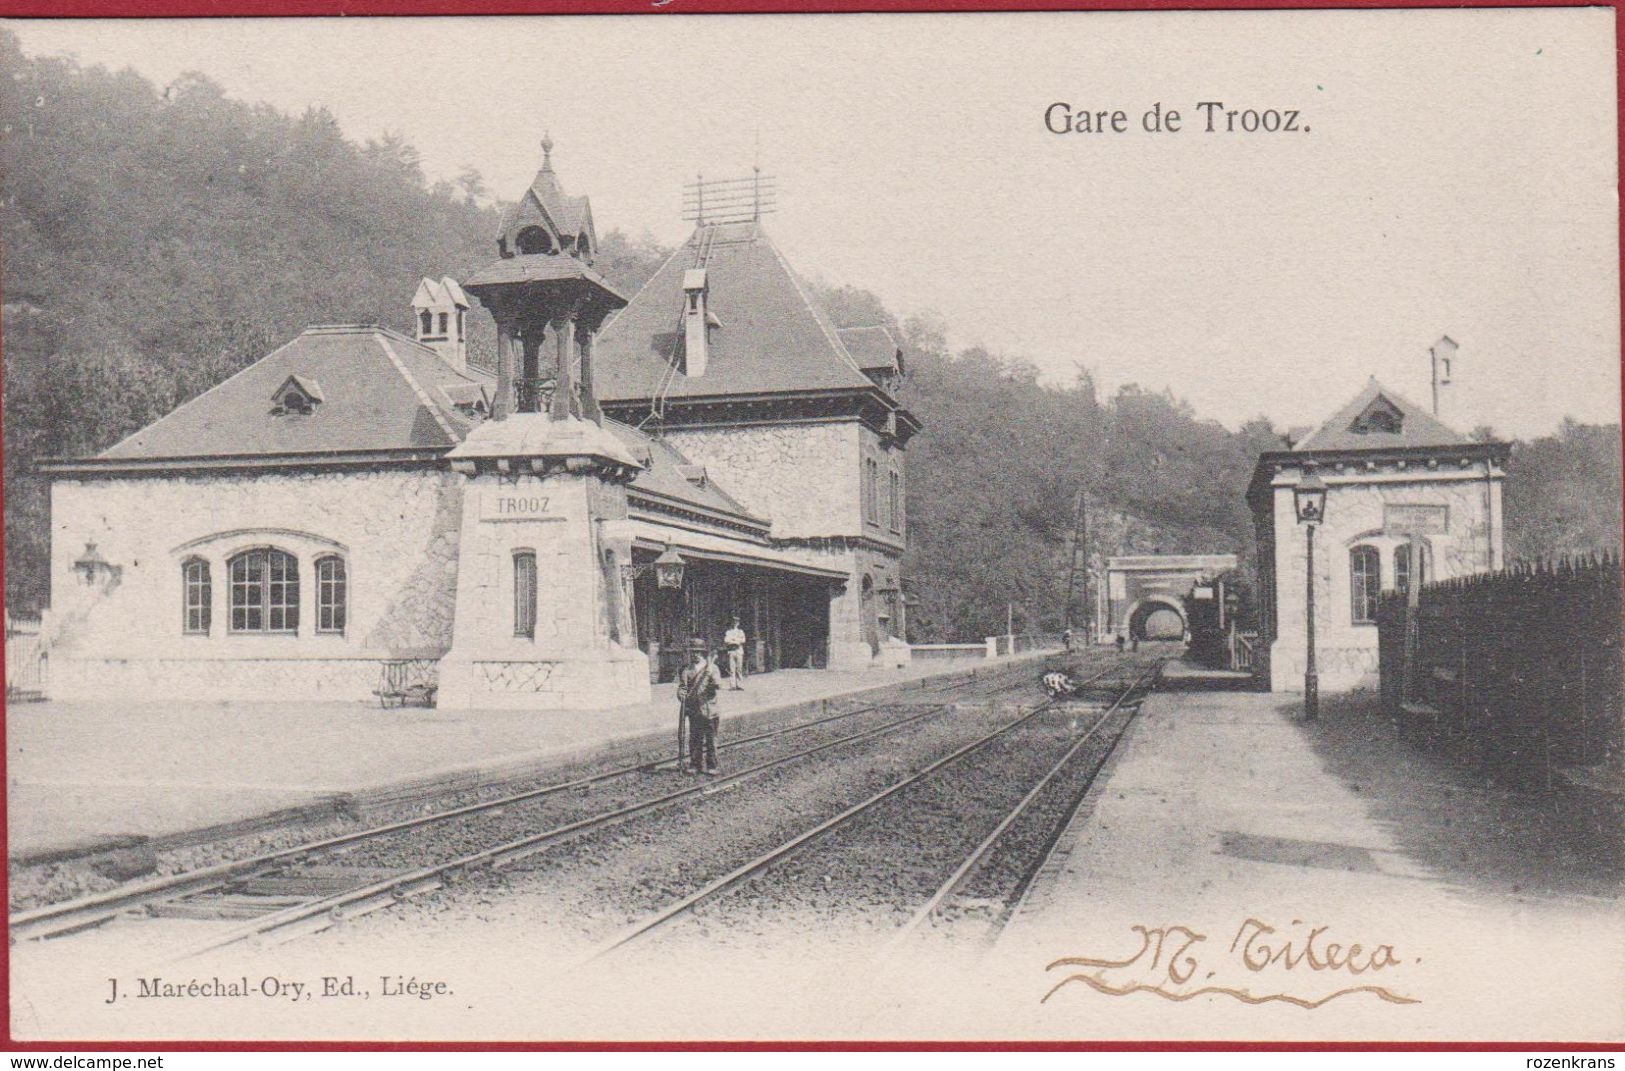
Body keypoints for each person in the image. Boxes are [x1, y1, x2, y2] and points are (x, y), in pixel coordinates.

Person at [676, 638, 723, 775]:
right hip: (694, 710)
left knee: (710, 740)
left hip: (710, 710)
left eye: (698, 652)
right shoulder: (687, 670)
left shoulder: (712, 668)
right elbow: (682, 687)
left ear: (703, 653)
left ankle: (712, 765)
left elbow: (718, 684)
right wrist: (681, 694)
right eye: (693, 652)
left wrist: (712, 680)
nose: (695, 655)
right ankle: (695, 764)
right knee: (695, 739)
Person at [723, 616, 748, 690]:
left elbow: (743, 640)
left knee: (739, 668)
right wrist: (736, 641)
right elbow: (726, 640)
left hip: (739, 651)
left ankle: (740, 685)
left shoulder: (741, 631)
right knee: (731, 669)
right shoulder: (728, 632)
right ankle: (733, 686)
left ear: (738, 623)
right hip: (731, 651)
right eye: (733, 622)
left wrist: (733, 640)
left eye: (736, 622)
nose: (734, 623)